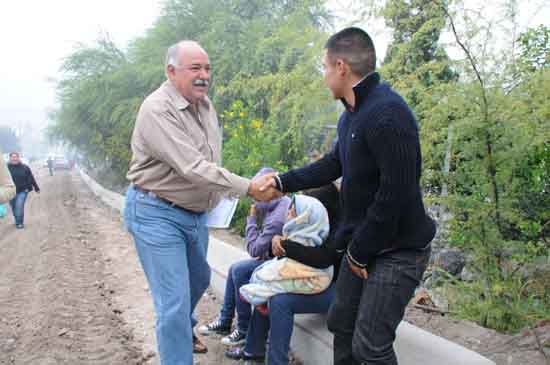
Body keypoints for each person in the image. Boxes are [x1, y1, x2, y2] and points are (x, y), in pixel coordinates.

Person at [258, 27, 436, 365]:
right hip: (366, 247)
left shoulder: (388, 113)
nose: (324, 76)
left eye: (325, 67)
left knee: (371, 345)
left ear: (341, 66)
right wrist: (281, 181)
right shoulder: (352, 116)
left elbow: (394, 194)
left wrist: (357, 252)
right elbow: (332, 164)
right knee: (342, 324)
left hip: (398, 251)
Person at [123, 40, 277, 365]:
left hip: (194, 215)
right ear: (171, 71)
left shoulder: (205, 105)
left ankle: (180, 327)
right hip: (155, 212)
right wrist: (248, 187)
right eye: (195, 68)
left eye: (207, 68)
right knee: (174, 304)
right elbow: (192, 167)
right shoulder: (157, 110)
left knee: (199, 279)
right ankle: (176, 337)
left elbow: (211, 158)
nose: (204, 75)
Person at [226, 183, 342, 365]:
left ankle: (276, 360)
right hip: (305, 277)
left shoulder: (338, 230)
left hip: (335, 289)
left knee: (279, 299)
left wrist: (285, 246)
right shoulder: (307, 223)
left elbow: (322, 258)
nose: (295, 211)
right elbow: (279, 252)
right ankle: (252, 350)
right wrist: (277, 243)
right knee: (265, 285)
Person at [199, 167, 291, 347]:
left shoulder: (277, 217)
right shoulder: (276, 204)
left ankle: (243, 330)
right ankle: (225, 321)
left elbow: (254, 249)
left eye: (256, 197)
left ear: (270, 194)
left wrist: (251, 219)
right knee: (235, 268)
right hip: (274, 257)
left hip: (283, 264)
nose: (254, 202)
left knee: (240, 271)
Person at [239, 194, 332, 308]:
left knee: (249, 274)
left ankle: (253, 306)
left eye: (292, 212)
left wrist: (252, 218)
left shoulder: (278, 220)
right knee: (241, 270)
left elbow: (254, 250)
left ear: (303, 219)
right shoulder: (302, 231)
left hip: (316, 280)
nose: (287, 213)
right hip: (286, 262)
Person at [7, 152, 40, 229]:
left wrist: (36, 188)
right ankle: (17, 219)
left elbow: (31, 177)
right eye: (12, 157)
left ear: (19, 158)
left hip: (23, 191)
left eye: (16, 157)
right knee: (14, 206)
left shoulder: (25, 167)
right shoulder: (6, 168)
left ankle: (20, 223)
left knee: (19, 206)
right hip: (10, 191)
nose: (14, 158)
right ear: (10, 158)